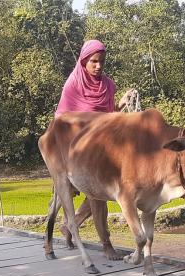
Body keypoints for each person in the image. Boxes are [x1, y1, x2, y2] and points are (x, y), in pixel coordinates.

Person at [53, 39, 134, 260]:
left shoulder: (108, 85)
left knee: (105, 192)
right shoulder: (73, 85)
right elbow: (62, 119)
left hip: (107, 147)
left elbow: (107, 115)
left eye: (102, 61)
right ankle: (107, 246)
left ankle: (71, 226)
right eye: (94, 62)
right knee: (100, 197)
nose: (98, 66)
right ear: (83, 62)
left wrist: (121, 105)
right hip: (79, 151)